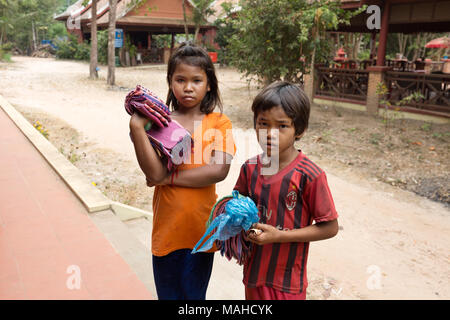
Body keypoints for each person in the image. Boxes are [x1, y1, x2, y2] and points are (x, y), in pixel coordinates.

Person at [129, 43, 236, 300]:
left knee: (195, 298)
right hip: (167, 232)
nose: (188, 87)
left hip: (201, 233)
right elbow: (153, 174)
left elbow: (219, 170)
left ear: (209, 84)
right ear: (170, 82)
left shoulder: (219, 122)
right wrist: (136, 127)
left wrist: (169, 178)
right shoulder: (159, 123)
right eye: (180, 79)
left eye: (197, 80)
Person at [233, 81, 339, 300]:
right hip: (253, 274)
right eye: (263, 124)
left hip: (287, 283)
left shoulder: (310, 175)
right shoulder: (249, 169)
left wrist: (279, 236)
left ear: (299, 130)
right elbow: (236, 207)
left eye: (281, 126)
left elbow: (330, 227)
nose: (270, 133)